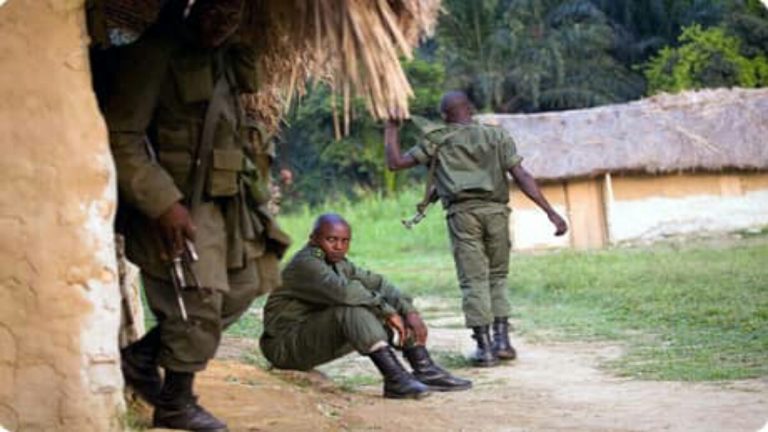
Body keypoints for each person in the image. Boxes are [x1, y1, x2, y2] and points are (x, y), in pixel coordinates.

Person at [104, 1, 289, 430]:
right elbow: (123, 134)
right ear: (192, 7)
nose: (220, 22)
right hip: (178, 201)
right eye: (212, 10)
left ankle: (143, 357)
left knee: (248, 282)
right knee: (198, 297)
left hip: (227, 200)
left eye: (231, 14)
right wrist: (162, 203)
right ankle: (176, 401)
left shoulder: (224, 56)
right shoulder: (155, 55)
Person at [383, 91, 568, 367]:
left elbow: (395, 163)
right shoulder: (498, 137)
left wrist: (391, 129)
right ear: (471, 109)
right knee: (497, 276)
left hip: (463, 215)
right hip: (496, 213)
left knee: (473, 280)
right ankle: (503, 341)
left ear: (444, 116)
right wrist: (551, 212)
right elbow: (522, 176)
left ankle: (485, 347)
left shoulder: (438, 140)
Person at [260, 214, 472, 399]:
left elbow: (379, 283)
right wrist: (387, 311)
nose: (338, 246)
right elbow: (344, 293)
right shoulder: (307, 264)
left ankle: (424, 369)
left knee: (386, 304)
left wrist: (409, 311)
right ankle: (396, 379)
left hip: (308, 337)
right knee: (353, 308)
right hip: (284, 346)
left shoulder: (338, 263)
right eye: (331, 239)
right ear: (313, 239)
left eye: (345, 241)